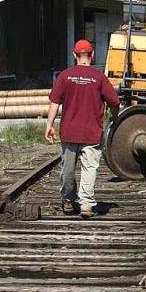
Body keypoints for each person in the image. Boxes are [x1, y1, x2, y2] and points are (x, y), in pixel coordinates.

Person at [46, 39, 120, 218]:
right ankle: (86, 204)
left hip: (69, 132)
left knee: (68, 170)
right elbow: (114, 102)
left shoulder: (65, 76)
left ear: (74, 55)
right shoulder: (99, 77)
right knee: (90, 168)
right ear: (92, 55)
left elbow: (55, 102)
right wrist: (115, 117)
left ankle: (69, 202)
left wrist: (49, 125)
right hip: (91, 133)